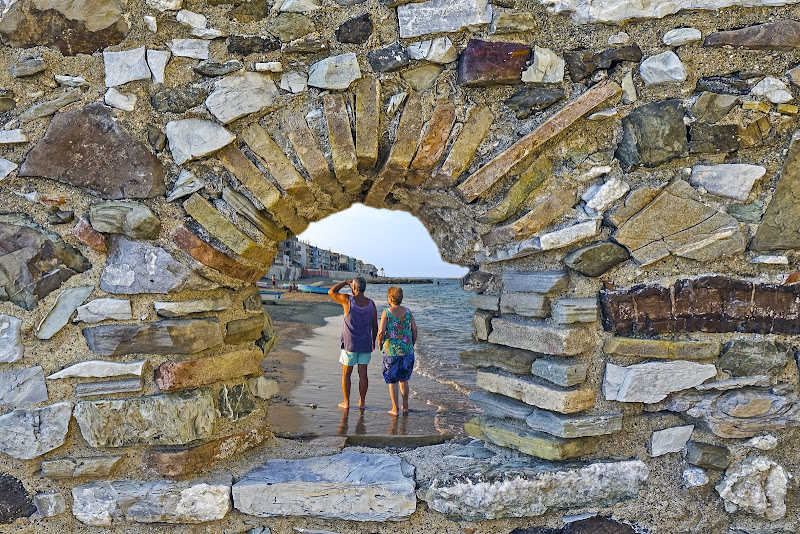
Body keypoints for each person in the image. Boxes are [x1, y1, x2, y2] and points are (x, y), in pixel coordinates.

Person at [328, 277, 377, 410]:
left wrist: (345, 282)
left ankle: (347, 402)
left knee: (346, 373)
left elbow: (331, 291)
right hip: (365, 344)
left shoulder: (347, 299)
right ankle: (362, 402)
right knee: (363, 373)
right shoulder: (371, 304)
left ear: (354, 288)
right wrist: (374, 341)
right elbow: (375, 326)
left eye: (352, 286)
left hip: (350, 344)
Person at [376, 286, 417, 416]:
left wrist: (380, 344)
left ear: (390, 298)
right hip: (407, 350)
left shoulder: (386, 313)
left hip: (391, 352)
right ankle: (405, 406)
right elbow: (414, 330)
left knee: (392, 380)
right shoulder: (408, 312)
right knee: (404, 379)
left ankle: (395, 409)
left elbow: (381, 331)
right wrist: (412, 343)